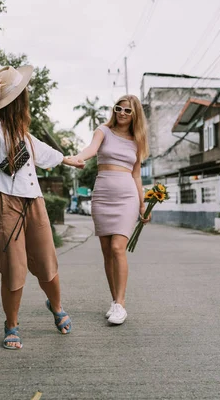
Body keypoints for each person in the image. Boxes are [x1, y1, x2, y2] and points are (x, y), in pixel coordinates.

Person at [0, 65, 84, 349]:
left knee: (46, 262)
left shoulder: (24, 135)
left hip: (34, 202)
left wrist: (67, 159)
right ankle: (12, 324)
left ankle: (56, 306)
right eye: (20, 93)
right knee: (13, 267)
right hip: (4, 203)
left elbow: (43, 152)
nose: (24, 97)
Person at [74, 94, 150, 325]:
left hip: (126, 195)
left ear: (135, 115)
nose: (123, 113)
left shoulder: (137, 141)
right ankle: (114, 301)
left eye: (128, 111)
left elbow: (136, 175)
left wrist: (142, 203)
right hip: (103, 194)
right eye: (119, 108)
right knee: (107, 251)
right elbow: (91, 148)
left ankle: (121, 304)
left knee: (118, 248)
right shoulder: (103, 131)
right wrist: (76, 158)